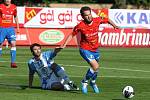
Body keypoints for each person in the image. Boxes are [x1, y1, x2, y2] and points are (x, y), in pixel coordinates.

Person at [60, 6, 119, 94]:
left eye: (89, 14)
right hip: (84, 49)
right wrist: (64, 44)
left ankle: (93, 82)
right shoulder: (80, 26)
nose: (89, 16)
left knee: (96, 69)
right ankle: (85, 81)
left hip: (95, 49)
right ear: (82, 16)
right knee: (95, 66)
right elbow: (72, 34)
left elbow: (107, 19)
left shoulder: (97, 20)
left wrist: (115, 26)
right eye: (86, 15)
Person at [0, 0, 20, 68]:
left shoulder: (14, 7)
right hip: (1, 28)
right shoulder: (1, 6)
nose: (8, 0)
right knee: (0, 44)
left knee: (13, 44)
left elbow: (15, 16)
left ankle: (13, 63)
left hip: (10, 29)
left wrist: (17, 27)